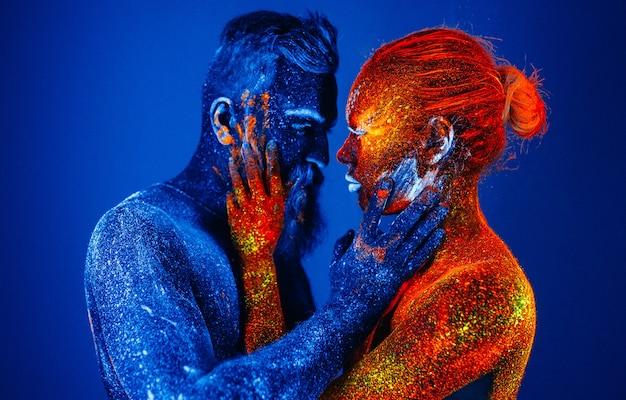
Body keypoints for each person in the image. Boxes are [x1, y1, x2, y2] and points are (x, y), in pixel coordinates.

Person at [85, 11, 445, 399]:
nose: (324, 155)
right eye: (303, 127)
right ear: (226, 122)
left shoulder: (276, 254)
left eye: (324, 131)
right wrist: (350, 310)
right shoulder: (135, 234)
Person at [315, 28, 548, 399]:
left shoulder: (488, 292)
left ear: (436, 141)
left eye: (363, 130)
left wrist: (260, 266)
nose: (343, 153)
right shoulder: (401, 267)